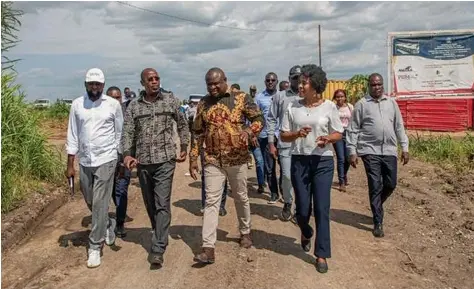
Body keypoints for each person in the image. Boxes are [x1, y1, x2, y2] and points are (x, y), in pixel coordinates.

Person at [190, 67, 264, 264]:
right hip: (213, 160)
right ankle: (208, 247)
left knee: (240, 196)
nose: (213, 87)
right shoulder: (204, 103)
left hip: (237, 158)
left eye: (216, 83)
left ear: (225, 80)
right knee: (211, 202)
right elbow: (197, 132)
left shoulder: (241, 98)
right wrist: (193, 157)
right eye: (209, 84)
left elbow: (259, 119)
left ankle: (245, 231)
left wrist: (249, 131)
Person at [121, 68, 189, 266]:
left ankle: (158, 247)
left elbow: (183, 124)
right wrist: (127, 155)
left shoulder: (170, 100)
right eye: (150, 79)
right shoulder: (134, 106)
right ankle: (159, 229)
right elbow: (127, 133)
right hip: (143, 163)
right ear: (143, 83)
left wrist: (184, 145)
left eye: (157, 78)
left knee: (162, 202)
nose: (154, 81)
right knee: (150, 204)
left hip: (165, 161)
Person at [280, 64, 343, 274]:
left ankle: (322, 254)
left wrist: (327, 138)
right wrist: (297, 134)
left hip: (322, 161)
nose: (300, 85)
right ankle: (305, 231)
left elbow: (338, 133)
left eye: (304, 82)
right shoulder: (293, 107)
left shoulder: (329, 107)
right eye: (299, 82)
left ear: (315, 85)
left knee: (322, 208)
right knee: (303, 209)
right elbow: (283, 135)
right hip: (300, 160)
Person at [65, 68, 123, 268]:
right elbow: (72, 134)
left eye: (98, 84)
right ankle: (107, 223)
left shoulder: (113, 105)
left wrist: (119, 157)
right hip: (85, 161)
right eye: (91, 84)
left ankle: (95, 247)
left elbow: (119, 133)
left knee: (99, 202)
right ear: (86, 85)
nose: (94, 87)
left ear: (103, 85)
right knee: (89, 199)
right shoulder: (77, 105)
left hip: (106, 159)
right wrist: (70, 164)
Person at [346, 73, 409, 238]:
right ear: (369, 86)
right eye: (374, 85)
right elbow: (353, 129)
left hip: (389, 150)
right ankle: (378, 222)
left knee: (391, 183)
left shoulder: (391, 103)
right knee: (375, 184)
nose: (377, 87)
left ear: (383, 85)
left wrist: (405, 147)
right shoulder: (361, 104)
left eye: (379, 84)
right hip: (369, 150)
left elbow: (399, 126)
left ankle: (377, 204)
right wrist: (352, 151)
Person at [267, 65, 302, 221]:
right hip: (286, 144)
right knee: (287, 176)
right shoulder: (280, 97)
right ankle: (288, 201)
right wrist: (271, 143)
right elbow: (271, 119)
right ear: (289, 79)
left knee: (301, 178)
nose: (298, 81)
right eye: (295, 78)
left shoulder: (308, 95)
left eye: (301, 77)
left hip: (306, 145)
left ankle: (300, 208)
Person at [106, 86, 133, 238]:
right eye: (112, 97)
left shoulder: (127, 114)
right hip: (107, 160)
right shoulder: (101, 114)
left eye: (118, 97)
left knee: (121, 190)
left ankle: (120, 223)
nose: (115, 100)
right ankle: (115, 214)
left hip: (123, 160)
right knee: (110, 191)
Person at [255, 72, 281, 204]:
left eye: (273, 80)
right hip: (265, 136)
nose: (270, 82)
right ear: (265, 82)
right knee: (269, 168)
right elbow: (255, 117)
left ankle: (285, 191)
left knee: (285, 168)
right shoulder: (259, 97)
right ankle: (274, 193)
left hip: (282, 136)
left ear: (277, 81)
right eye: (268, 80)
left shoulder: (281, 96)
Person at [332, 89, 354, 192]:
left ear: (345, 97)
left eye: (341, 96)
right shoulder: (333, 108)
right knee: (340, 158)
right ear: (335, 98)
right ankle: (341, 182)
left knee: (348, 158)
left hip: (349, 133)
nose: (340, 98)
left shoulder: (350, 107)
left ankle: (344, 174)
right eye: (337, 97)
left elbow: (354, 120)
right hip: (338, 134)